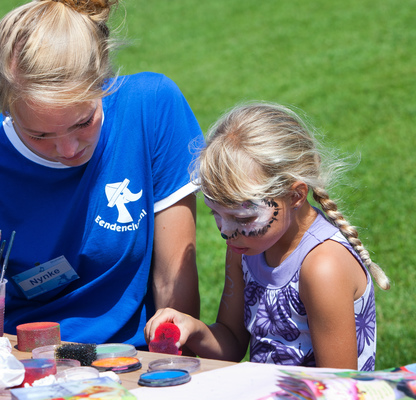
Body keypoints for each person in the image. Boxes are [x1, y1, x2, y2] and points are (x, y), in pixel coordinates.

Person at [0, 0, 203, 347]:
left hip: (138, 362)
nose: (69, 150)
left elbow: (174, 292)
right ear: (5, 108)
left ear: (103, 81)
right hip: (29, 367)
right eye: (40, 135)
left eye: (83, 122)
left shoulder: (150, 108)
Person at [145, 102, 390, 370]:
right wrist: (192, 329)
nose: (226, 232)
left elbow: (337, 386)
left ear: (296, 195)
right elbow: (233, 342)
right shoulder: (245, 248)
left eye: (244, 218)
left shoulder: (322, 268)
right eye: (215, 213)